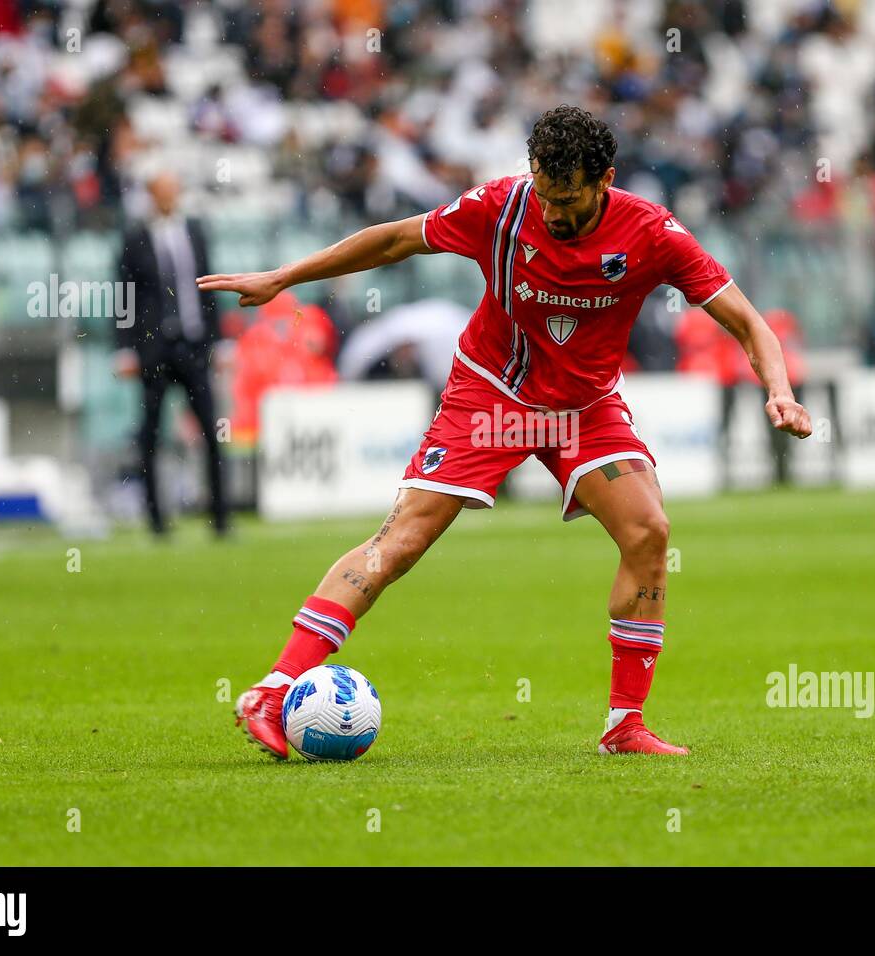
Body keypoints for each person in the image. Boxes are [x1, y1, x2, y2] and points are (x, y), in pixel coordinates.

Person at [200, 105, 811, 759]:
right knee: (401, 541)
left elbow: (748, 321)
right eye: (544, 194)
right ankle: (273, 688)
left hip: (584, 406)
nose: (550, 212)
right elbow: (394, 239)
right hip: (492, 395)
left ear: (605, 179)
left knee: (649, 532)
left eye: (567, 197)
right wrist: (285, 277)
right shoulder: (501, 207)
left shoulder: (652, 232)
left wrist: (780, 389)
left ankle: (624, 724)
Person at [115, 171, 228, 537]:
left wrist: (219, 340)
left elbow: (209, 288)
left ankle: (220, 516)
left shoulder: (194, 232)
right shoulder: (135, 238)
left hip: (193, 346)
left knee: (210, 431)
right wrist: (126, 348)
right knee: (151, 433)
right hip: (155, 350)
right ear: (151, 196)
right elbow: (124, 296)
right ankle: (156, 519)